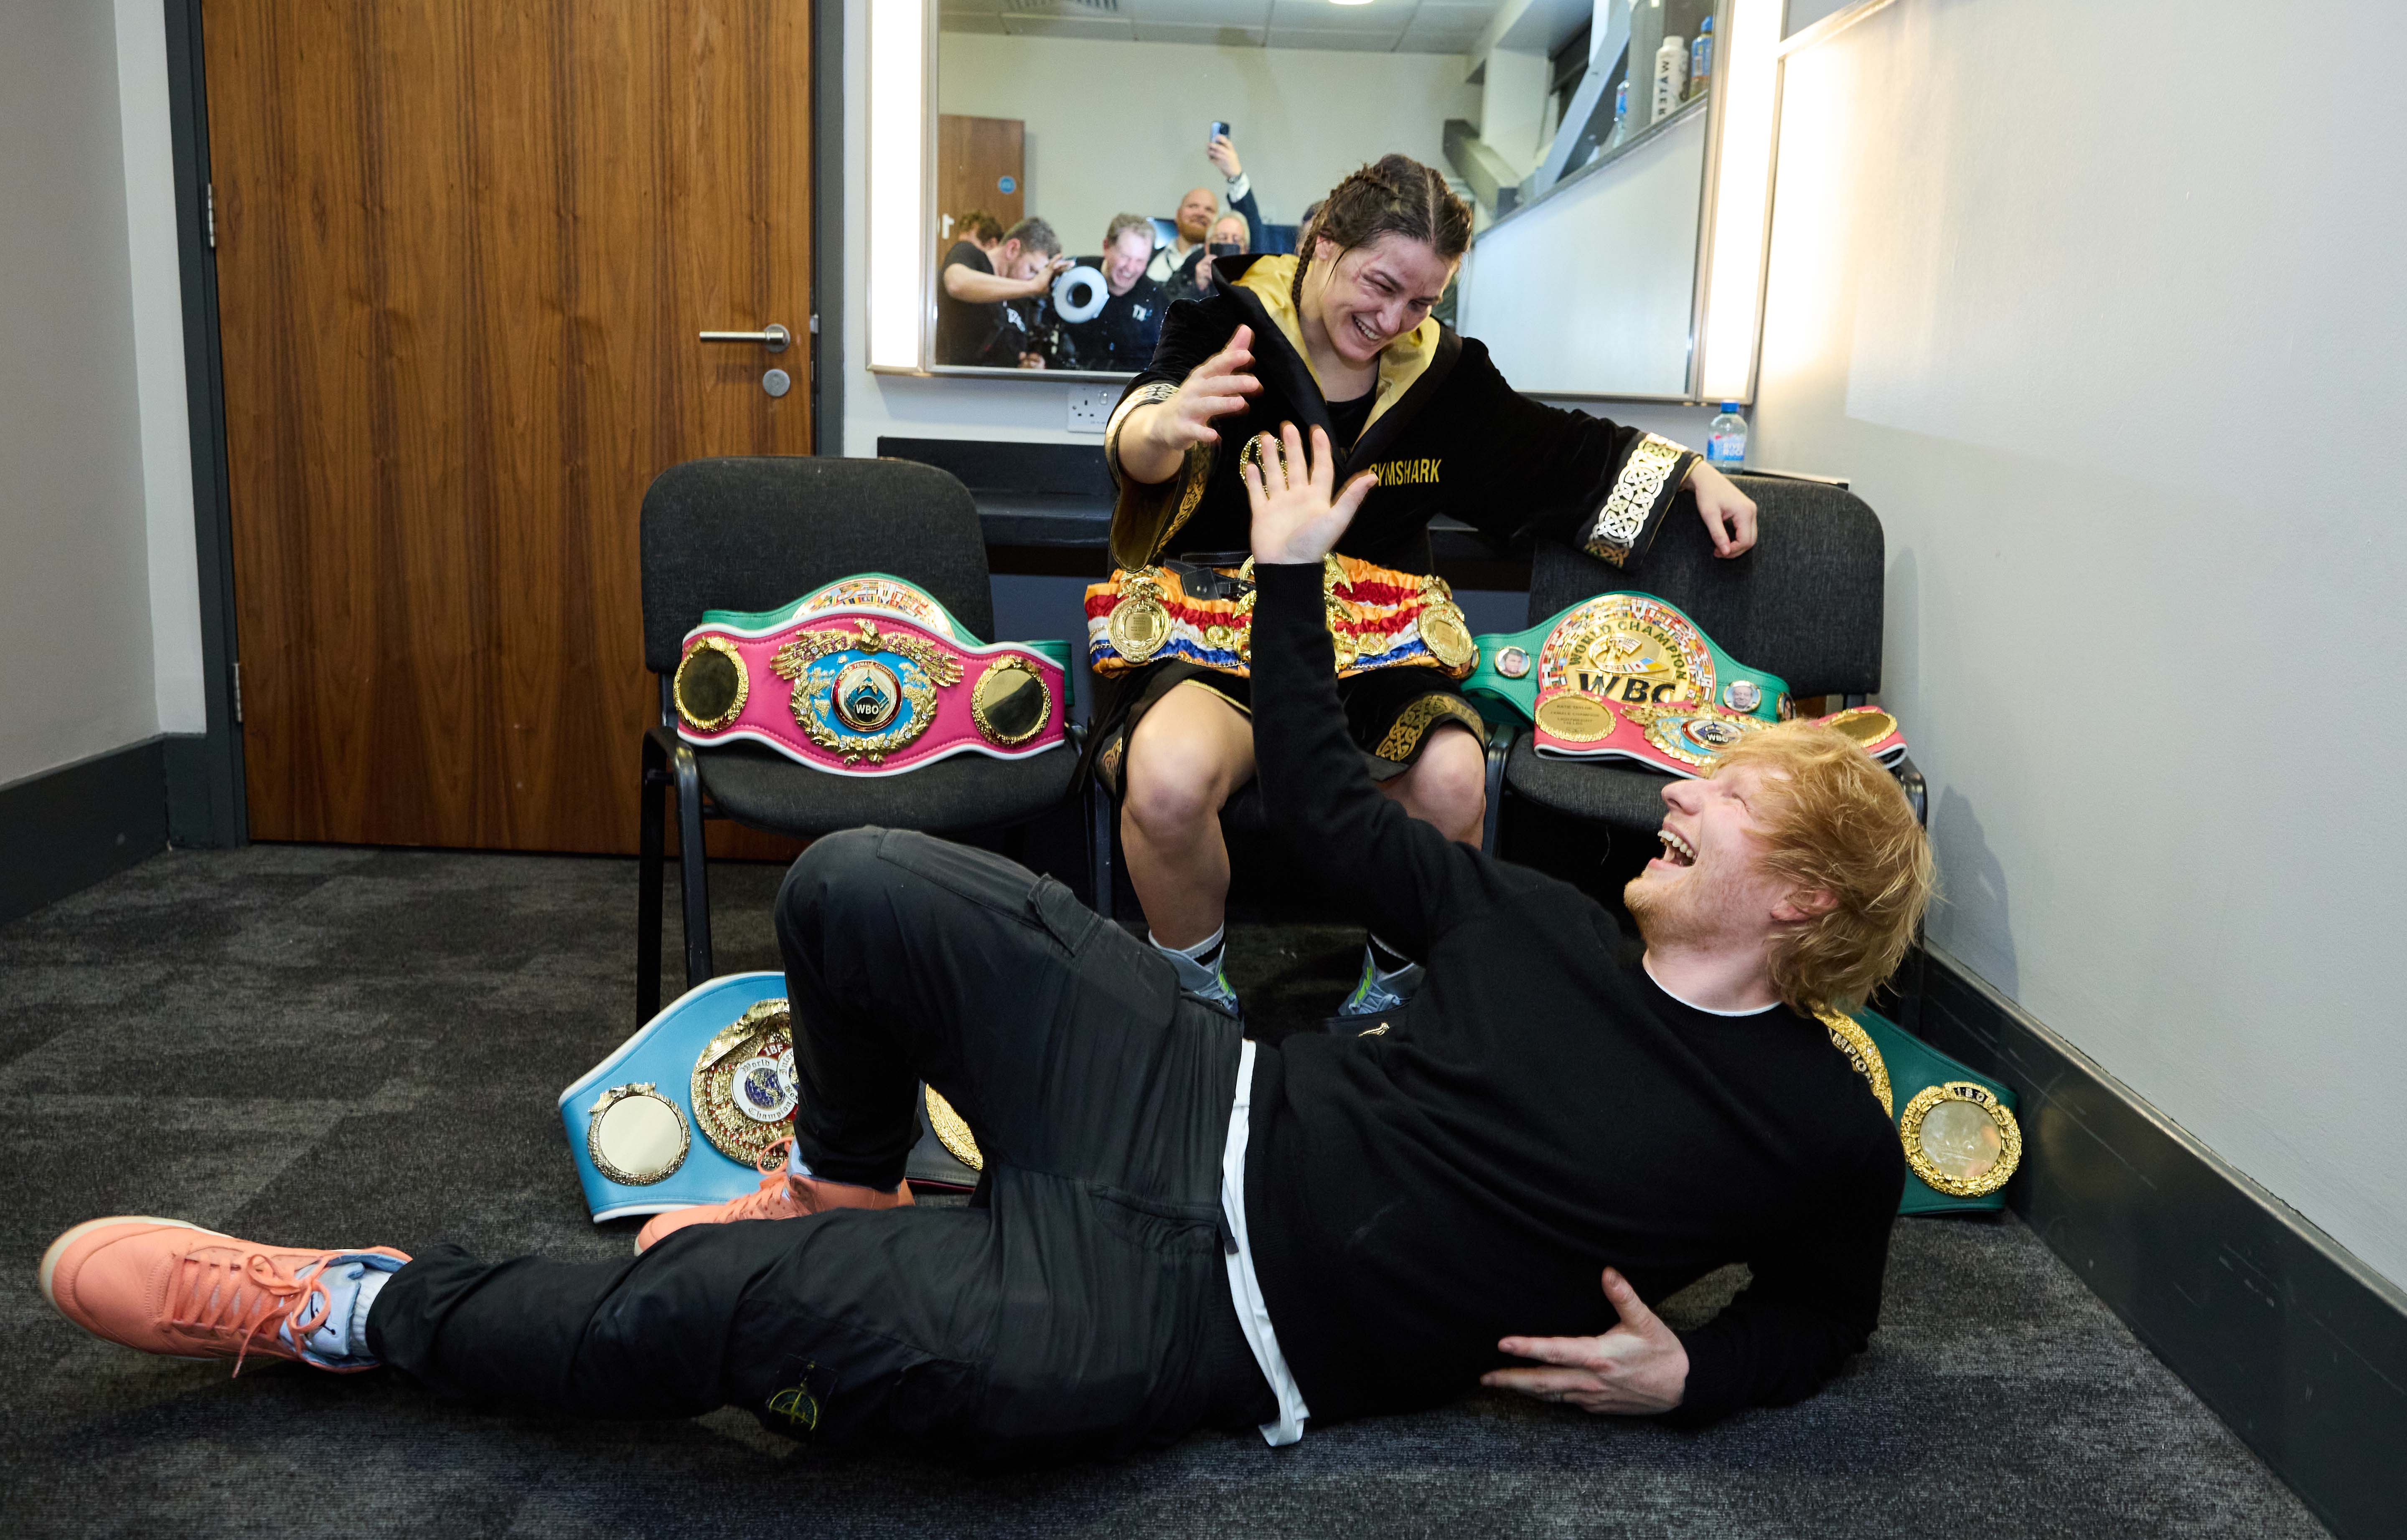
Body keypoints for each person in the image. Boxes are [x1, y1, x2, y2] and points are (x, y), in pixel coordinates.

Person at [38, 423, 1932, 1457]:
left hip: (1209, 1326)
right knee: (859, 875)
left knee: (715, 1321)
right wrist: (1280, 581)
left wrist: (1696, 1379)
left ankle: (339, 1305)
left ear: (1809, 893)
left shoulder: (1813, 1132)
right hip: (1184, 1082)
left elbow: (1821, 1316)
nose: (1679, 787)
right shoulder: (1532, 919)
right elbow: (1342, 812)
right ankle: (847, 1184)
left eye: (1732, 788)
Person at [1096, 153, 1759, 1019]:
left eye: (1421, 301)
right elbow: (1139, 426)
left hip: (1377, 651)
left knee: (1453, 781)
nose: (1391, 319)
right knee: (1166, 780)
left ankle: (1395, 988)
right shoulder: (1226, 319)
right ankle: (1193, 993)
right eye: (1379, 285)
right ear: (1320, 245)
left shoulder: (1440, 374)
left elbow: (1553, 451)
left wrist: (1685, 474)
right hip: (1223, 642)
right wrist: (1165, 425)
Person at [936, 215, 1067, 368]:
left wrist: (1029, 365)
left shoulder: (1021, 298)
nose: (1033, 280)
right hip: (954, 386)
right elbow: (956, 283)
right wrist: (1033, 286)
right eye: (1032, 270)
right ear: (1012, 249)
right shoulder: (970, 254)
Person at [1143, 131, 1266, 287]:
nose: (1200, 213)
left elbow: (1252, 229)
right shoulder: (1148, 257)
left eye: (1209, 210)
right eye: (1193, 206)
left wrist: (1235, 176)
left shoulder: (1217, 262)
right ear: (1178, 214)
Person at [1060, 213, 1167, 373]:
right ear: (1106, 247)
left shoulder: (1157, 300)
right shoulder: (1073, 278)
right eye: (1125, 257)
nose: (1131, 269)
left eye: (1140, 261)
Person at [1172, 211, 1254, 302]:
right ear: (1208, 247)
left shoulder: (1256, 284)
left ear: (1246, 250)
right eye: (1222, 238)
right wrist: (1198, 287)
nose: (1229, 243)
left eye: (1236, 240)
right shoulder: (1186, 275)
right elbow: (1170, 312)